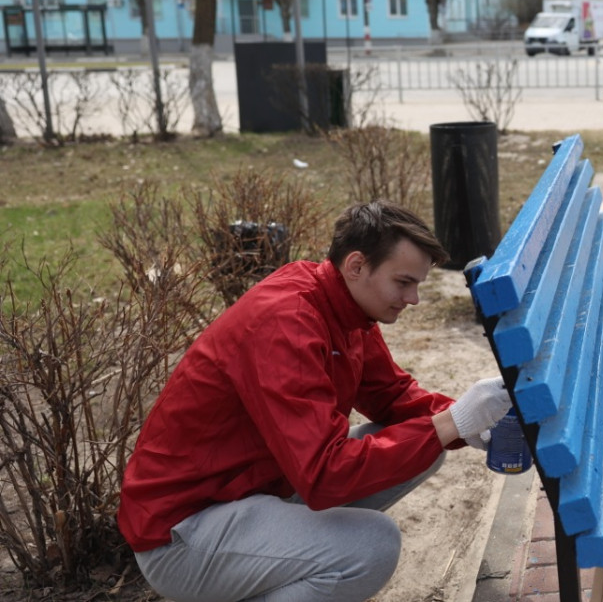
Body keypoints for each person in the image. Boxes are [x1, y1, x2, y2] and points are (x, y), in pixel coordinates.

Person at [118, 200, 513, 602]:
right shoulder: (285, 324)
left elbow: (391, 396)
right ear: (357, 265)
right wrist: (449, 424)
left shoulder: (343, 305)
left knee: (427, 444)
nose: (413, 299)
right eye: (403, 282)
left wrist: (472, 420)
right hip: (182, 532)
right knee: (372, 546)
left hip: (254, 491)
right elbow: (325, 476)